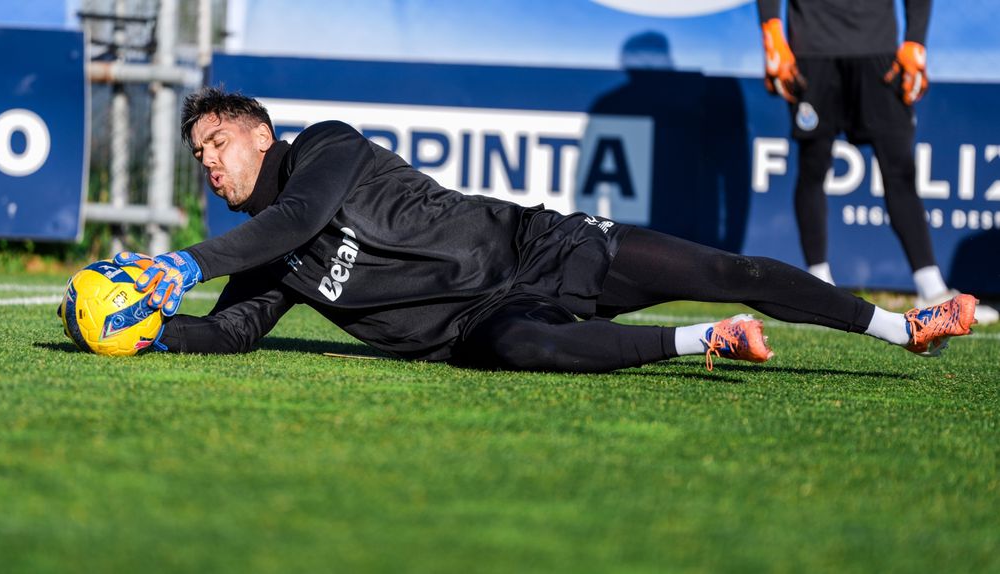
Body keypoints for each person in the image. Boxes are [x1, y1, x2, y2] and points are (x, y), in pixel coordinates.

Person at [114, 87, 977, 373]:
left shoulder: (324, 147)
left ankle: (902, 326)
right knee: (526, 348)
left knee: (729, 267)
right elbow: (235, 329)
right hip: (477, 323)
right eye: (199, 156)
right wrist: (145, 328)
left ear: (262, 134)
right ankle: (704, 340)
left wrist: (180, 263)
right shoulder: (266, 254)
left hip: (540, 246)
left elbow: (299, 218)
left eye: (217, 143)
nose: (210, 163)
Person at [757, 0, 998, 324]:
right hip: (812, 49)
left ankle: (931, 288)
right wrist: (771, 31)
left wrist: (915, 41)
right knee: (813, 166)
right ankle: (818, 287)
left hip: (878, 50)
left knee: (899, 169)